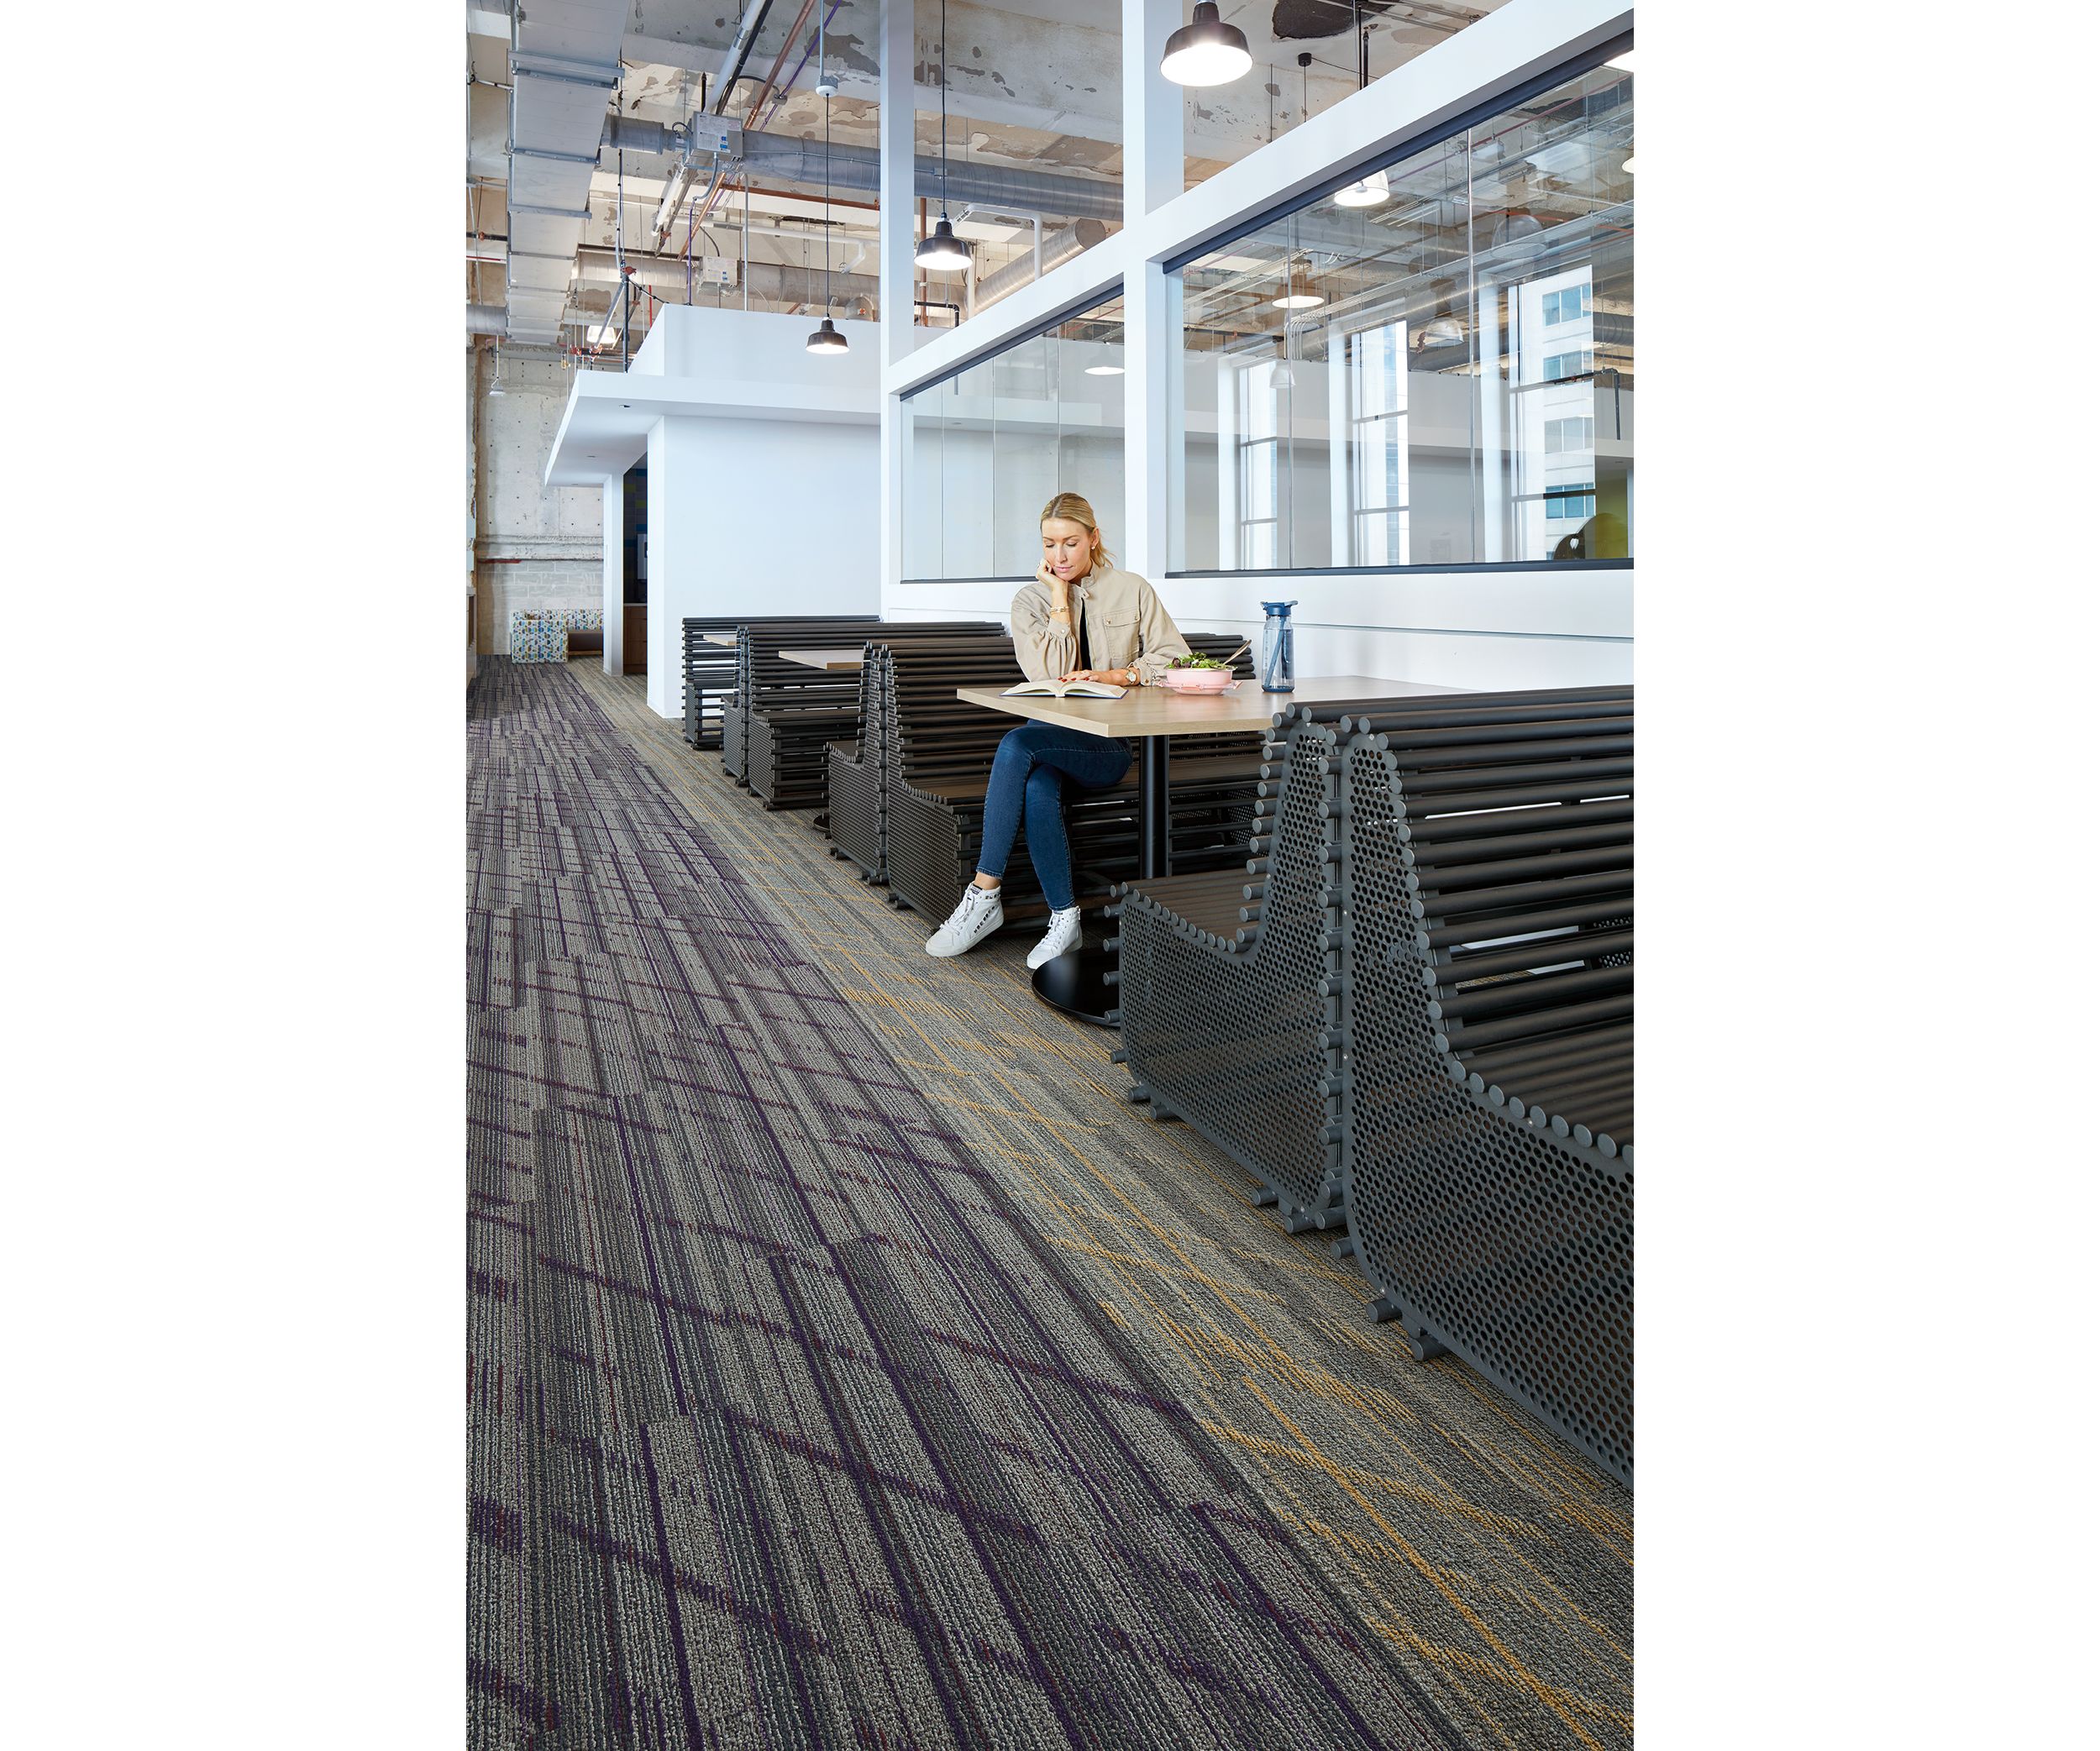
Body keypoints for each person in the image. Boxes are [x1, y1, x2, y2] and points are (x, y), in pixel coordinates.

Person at [925, 491, 1192, 968]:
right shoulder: (1029, 600)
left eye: (1070, 543)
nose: (1059, 556)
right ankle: (1065, 921)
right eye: (1049, 545)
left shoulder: (1132, 589)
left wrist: (1118, 675)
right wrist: (1058, 600)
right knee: (1038, 785)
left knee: (1016, 744)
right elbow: (1047, 673)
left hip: (1107, 748)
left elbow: (1177, 657)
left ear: (1094, 539)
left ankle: (985, 893)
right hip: (1050, 739)